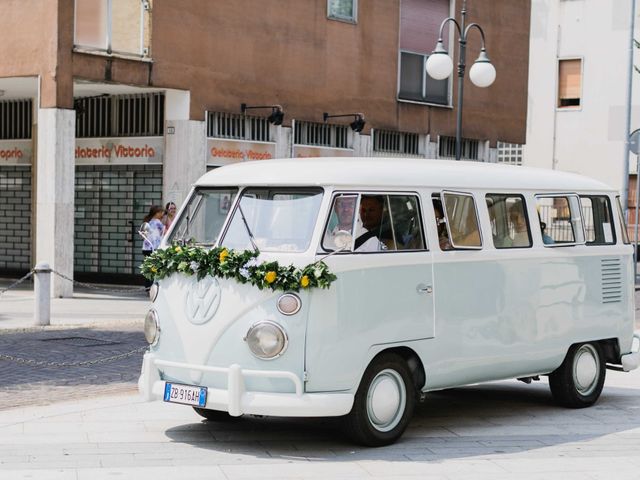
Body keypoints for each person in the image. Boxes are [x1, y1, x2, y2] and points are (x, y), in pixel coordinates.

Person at [140, 205, 165, 289]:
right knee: (154, 267)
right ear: (157, 213)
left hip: (146, 247)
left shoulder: (147, 222)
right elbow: (164, 233)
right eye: (161, 212)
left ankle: (147, 285)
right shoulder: (158, 222)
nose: (162, 214)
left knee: (149, 267)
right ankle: (151, 285)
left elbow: (142, 234)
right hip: (154, 248)